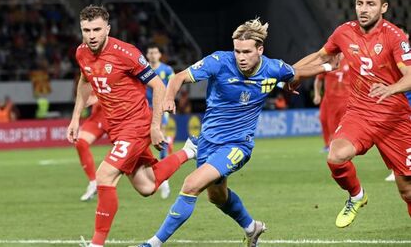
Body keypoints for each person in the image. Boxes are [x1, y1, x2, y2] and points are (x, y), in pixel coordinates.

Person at [137, 18, 334, 247]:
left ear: (260, 50)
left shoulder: (273, 67)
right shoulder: (219, 61)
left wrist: (325, 68)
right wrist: (170, 97)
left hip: (238, 145)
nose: (241, 57)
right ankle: (252, 228)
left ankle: (152, 244)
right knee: (217, 197)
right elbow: (179, 77)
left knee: (191, 184)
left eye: (247, 52)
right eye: (237, 51)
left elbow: (295, 72)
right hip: (208, 142)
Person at [67, 5, 196, 247]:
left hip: (136, 124)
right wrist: (76, 118)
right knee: (147, 186)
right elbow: (85, 81)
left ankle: (96, 244)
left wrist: (155, 126)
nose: (91, 35)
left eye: (96, 29)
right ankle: (190, 151)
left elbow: (158, 86)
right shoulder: (82, 53)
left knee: (104, 175)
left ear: (107, 28)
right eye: (86, 30)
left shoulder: (126, 53)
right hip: (116, 129)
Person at [293, 0, 411, 228]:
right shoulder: (343, 32)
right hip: (361, 113)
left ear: (384, 7)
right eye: (359, 3)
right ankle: (357, 196)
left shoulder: (395, 37)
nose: (363, 9)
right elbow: (320, 55)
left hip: (394, 118)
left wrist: (391, 88)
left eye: (370, 4)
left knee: (407, 190)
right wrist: (290, 72)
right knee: (336, 156)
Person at [145, 44, 176, 199]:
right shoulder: (142, 68)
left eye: (155, 51)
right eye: (150, 51)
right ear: (147, 54)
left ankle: (164, 180)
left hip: (160, 108)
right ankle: (155, 175)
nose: (152, 54)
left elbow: (173, 85)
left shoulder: (167, 70)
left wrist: (169, 101)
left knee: (160, 136)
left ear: (159, 54)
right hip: (144, 109)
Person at [385, 23, 410, 182]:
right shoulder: (390, 54)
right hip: (399, 99)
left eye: (402, 33)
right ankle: (397, 170)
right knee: (396, 136)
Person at [313, 53, 351, 152]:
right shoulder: (329, 60)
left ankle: (337, 145)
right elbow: (318, 80)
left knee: (338, 123)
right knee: (323, 120)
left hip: (344, 98)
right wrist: (317, 94)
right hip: (328, 98)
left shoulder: (350, 59)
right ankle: (327, 144)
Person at [75, 92, 108, 201]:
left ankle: (158, 180)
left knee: (134, 148)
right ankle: (94, 183)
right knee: (81, 142)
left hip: (117, 114)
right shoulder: (91, 74)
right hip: (99, 115)